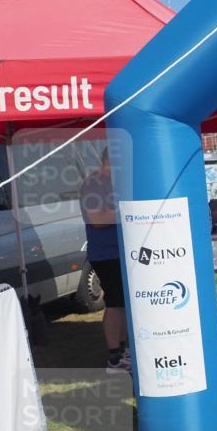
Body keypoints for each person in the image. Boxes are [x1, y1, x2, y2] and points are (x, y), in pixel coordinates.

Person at [80, 147, 129, 374]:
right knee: (115, 303)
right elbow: (97, 219)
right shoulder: (93, 184)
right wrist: (127, 212)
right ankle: (114, 357)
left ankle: (123, 351)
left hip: (120, 252)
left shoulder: (115, 183)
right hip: (105, 254)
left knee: (123, 303)